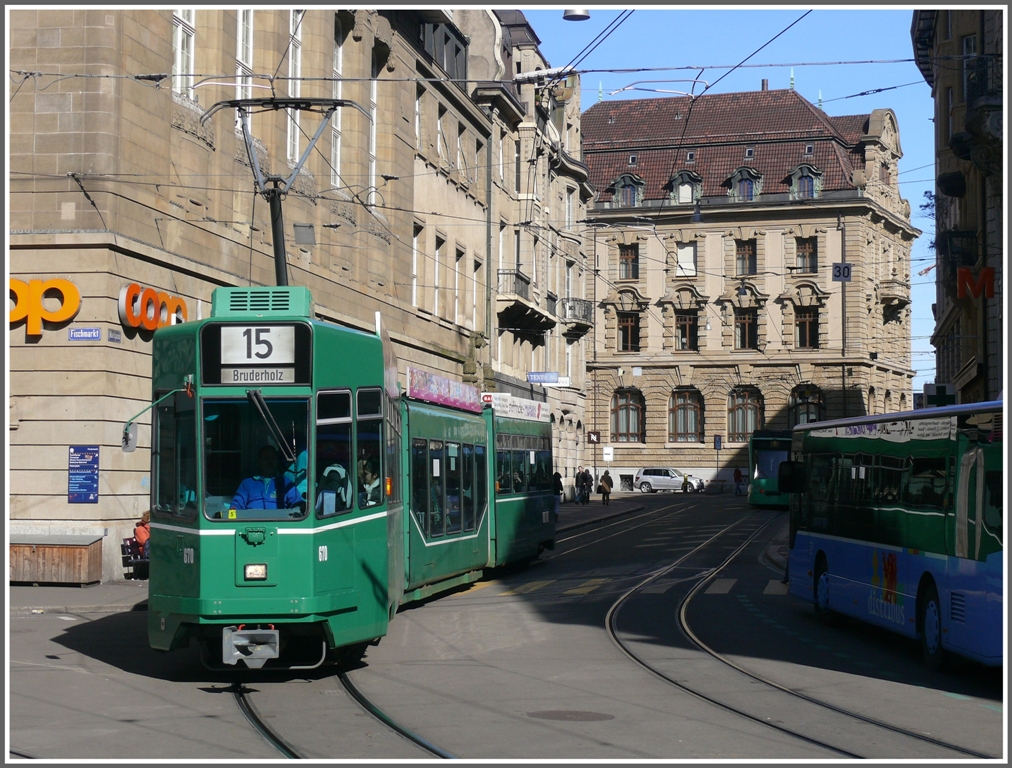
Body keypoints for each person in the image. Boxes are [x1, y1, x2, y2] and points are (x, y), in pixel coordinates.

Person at [231, 445, 303, 511]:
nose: (270, 461)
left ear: (277, 461)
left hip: (279, 522)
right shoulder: (247, 483)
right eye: (266, 458)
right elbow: (236, 505)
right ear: (259, 460)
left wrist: (301, 507)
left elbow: (297, 503)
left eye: (273, 458)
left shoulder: (286, 482)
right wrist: (231, 515)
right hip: (251, 522)